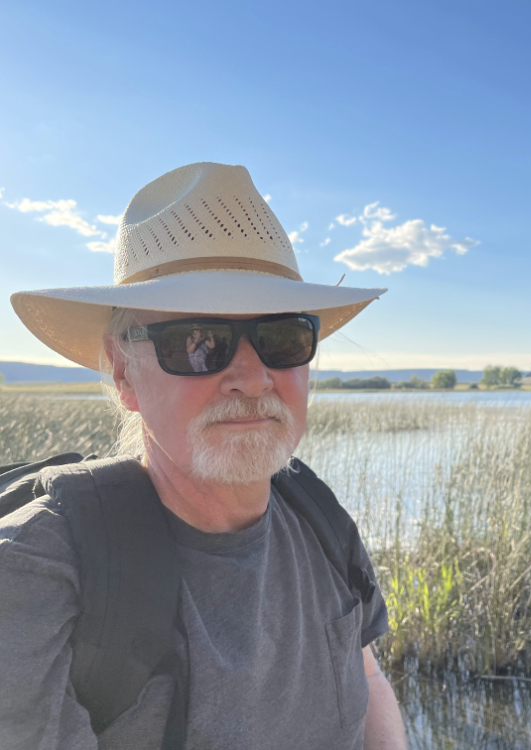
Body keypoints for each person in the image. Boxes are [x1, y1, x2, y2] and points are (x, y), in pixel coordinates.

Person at [2, 163, 407, 749]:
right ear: (123, 373)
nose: (252, 377)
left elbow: (365, 676)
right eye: (199, 343)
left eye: (283, 337)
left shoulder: (318, 515)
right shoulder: (34, 577)